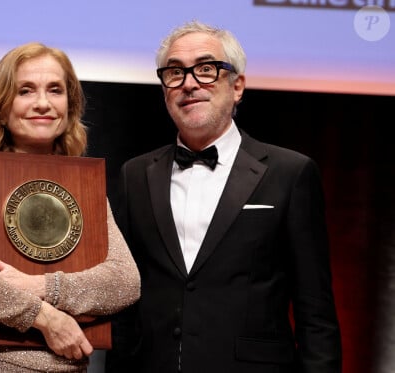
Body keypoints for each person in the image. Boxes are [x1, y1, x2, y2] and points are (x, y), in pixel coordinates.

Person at [105, 20, 342, 373]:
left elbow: (316, 312)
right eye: (175, 72)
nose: (189, 83)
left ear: (237, 86)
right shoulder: (134, 174)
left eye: (206, 69)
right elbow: (124, 298)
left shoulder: (290, 173)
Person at [0, 42, 141, 373]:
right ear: (1, 107)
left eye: (55, 90)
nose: (42, 103)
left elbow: (124, 282)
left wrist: (43, 287)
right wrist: (44, 317)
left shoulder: (85, 188)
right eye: (25, 91)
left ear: (70, 107)